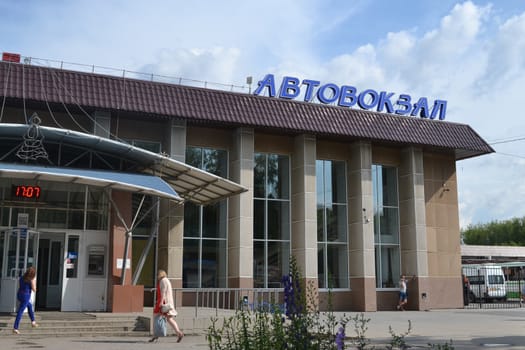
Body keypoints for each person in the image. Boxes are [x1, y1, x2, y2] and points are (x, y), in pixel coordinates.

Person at [149, 269, 184, 343]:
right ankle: (179, 333)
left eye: (157, 275)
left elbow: (163, 292)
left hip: (164, 302)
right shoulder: (166, 280)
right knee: (169, 318)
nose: (157, 276)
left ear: (160, 274)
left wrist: (160, 302)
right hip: (166, 302)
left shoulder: (163, 281)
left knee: (156, 316)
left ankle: (155, 335)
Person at [13, 266, 38, 334]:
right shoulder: (31, 280)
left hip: (20, 294)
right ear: (33, 274)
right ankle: (15, 328)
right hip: (26, 296)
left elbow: (21, 286)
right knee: (20, 312)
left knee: (29, 306)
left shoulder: (22, 277)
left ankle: (33, 322)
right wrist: (34, 282)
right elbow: (34, 289)